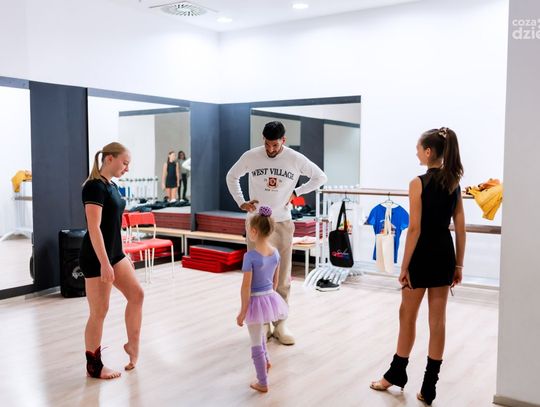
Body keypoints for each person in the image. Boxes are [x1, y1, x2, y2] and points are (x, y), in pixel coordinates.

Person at [370, 127, 466, 405]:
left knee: (407, 315)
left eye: (418, 149)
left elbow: (414, 229)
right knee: (438, 322)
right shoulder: (454, 183)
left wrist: (404, 267)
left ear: (428, 151)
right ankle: (429, 387)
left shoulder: (418, 183)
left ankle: (396, 373)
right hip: (445, 254)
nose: (416, 153)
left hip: (422, 254)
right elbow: (460, 229)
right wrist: (459, 265)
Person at [227, 121, 327, 345]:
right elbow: (231, 176)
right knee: (257, 276)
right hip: (256, 223)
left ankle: (280, 323)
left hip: (282, 222)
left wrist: (297, 192)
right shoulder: (251, 156)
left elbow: (320, 177)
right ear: (263, 139)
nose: (271, 149)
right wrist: (241, 201)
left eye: (275, 145)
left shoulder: (295, 158)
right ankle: (263, 323)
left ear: (283, 140)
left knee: (282, 276)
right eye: (267, 144)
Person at [79, 142, 144, 379]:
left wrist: (122, 253)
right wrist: (104, 263)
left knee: (137, 295)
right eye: (124, 163)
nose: (127, 168)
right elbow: (94, 228)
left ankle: (132, 345)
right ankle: (94, 366)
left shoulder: (112, 186)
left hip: (115, 253)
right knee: (99, 311)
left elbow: (112, 226)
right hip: (97, 256)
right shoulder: (93, 187)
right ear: (109, 159)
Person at [236, 206, 288, 393]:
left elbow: (246, 287)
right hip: (269, 298)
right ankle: (266, 362)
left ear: (254, 231)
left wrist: (243, 311)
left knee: (255, 341)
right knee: (260, 334)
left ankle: (262, 382)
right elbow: (275, 282)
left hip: (255, 301)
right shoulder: (275, 253)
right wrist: (270, 297)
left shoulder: (249, 257)